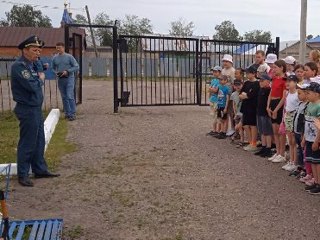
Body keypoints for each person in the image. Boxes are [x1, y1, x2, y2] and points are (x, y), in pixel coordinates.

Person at [10, 36, 60, 187]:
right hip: (27, 109)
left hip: (35, 108)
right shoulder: (19, 67)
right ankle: (23, 174)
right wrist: (41, 78)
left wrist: (40, 69)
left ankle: (40, 169)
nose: (37, 53)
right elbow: (32, 86)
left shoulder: (31, 64)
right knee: (28, 142)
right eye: (34, 50)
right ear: (25, 50)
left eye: (39, 50)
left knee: (39, 140)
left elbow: (39, 68)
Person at [52, 42, 79, 121]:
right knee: (64, 97)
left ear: (63, 48)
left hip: (69, 78)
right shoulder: (54, 58)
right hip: (60, 79)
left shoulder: (69, 57)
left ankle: (73, 113)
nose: (58, 49)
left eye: (59, 48)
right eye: (57, 48)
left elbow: (76, 66)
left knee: (69, 95)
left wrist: (67, 71)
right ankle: (67, 113)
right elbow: (52, 68)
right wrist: (56, 73)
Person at [267, 60, 287, 163]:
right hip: (273, 103)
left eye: (275, 67)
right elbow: (271, 93)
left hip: (279, 104)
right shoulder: (274, 79)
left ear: (281, 68)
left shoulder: (285, 80)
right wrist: (268, 105)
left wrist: (276, 109)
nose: (273, 70)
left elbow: (284, 97)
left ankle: (282, 153)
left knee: (280, 131)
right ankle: (278, 152)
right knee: (274, 129)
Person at [302, 82, 320, 194]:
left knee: (318, 162)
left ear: (317, 94)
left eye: (309, 93)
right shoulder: (309, 104)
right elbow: (306, 123)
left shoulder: (319, 106)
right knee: (312, 160)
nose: (307, 95)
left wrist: (316, 141)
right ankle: (316, 181)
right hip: (308, 137)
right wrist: (304, 138)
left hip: (315, 138)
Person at [240, 64, 260, 151]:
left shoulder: (257, 84)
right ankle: (249, 142)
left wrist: (246, 95)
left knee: (253, 125)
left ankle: (254, 143)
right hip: (245, 106)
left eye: (248, 73)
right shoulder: (246, 83)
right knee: (245, 125)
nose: (247, 75)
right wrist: (245, 95)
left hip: (253, 107)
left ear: (253, 73)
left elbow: (251, 95)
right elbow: (241, 94)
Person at [281, 75, 300, 171]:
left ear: (296, 82)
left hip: (294, 116)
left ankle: (294, 162)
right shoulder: (287, 93)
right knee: (290, 141)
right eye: (287, 81)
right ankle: (291, 160)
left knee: (294, 141)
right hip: (287, 116)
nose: (287, 83)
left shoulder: (297, 94)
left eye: (290, 81)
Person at [254, 73, 273, 158]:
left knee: (267, 132)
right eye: (260, 81)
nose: (260, 82)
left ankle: (268, 148)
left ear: (268, 81)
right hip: (259, 112)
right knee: (262, 131)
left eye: (262, 81)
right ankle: (264, 146)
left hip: (265, 114)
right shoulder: (260, 89)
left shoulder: (269, 90)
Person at [292, 83, 309, 177]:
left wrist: (303, 134)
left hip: (302, 133)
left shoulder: (307, 106)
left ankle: (306, 169)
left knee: (304, 150)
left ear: (306, 94)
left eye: (299, 93)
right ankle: (300, 166)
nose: (298, 95)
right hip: (296, 131)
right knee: (299, 149)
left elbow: (305, 122)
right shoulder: (300, 104)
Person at [207, 66, 222, 136]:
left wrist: (211, 89)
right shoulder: (213, 80)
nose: (214, 73)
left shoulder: (220, 81)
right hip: (212, 100)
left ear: (219, 72)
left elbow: (216, 90)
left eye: (216, 72)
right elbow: (209, 89)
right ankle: (214, 130)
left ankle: (218, 131)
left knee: (217, 116)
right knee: (213, 115)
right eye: (213, 72)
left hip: (217, 100)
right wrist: (211, 90)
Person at [215, 75, 231, 139]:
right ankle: (221, 131)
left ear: (226, 81)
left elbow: (227, 98)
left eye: (222, 80)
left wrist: (226, 107)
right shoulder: (219, 87)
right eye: (220, 80)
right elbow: (218, 96)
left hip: (224, 105)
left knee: (224, 119)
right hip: (219, 105)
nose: (221, 81)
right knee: (220, 119)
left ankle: (224, 132)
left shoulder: (227, 88)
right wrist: (217, 105)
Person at [230, 79, 244, 144]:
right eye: (236, 85)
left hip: (243, 113)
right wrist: (235, 113)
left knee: (240, 127)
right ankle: (237, 135)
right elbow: (234, 104)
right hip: (237, 113)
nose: (237, 87)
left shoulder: (244, 93)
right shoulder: (233, 94)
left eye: (239, 85)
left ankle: (242, 139)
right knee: (237, 125)